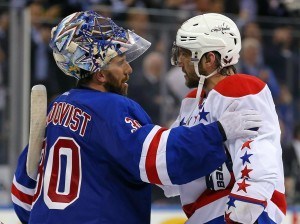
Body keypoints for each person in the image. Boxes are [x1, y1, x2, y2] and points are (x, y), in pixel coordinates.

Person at [11, 11, 262, 224]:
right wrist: (217, 132)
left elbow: (22, 196)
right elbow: (161, 161)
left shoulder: (57, 109)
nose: (129, 69)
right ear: (99, 74)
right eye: (121, 61)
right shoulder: (111, 108)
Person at [168, 13, 286, 223]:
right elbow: (172, 158)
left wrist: (244, 208)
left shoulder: (240, 88)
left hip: (238, 210)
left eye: (186, 53)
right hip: (207, 213)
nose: (179, 62)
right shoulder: (192, 102)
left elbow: (257, 153)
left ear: (210, 59)